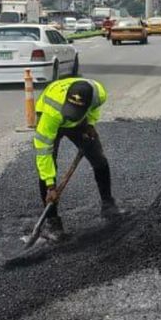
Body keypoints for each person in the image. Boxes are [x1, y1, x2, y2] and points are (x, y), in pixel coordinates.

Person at [33, 78, 123, 241]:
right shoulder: (52, 113)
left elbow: (95, 109)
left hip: (82, 121)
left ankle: (108, 205)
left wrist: (90, 124)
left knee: (99, 160)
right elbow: (43, 151)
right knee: (47, 169)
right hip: (54, 117)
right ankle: (53, 222)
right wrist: (51, 186)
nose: (71, 118)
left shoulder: (98, 94)